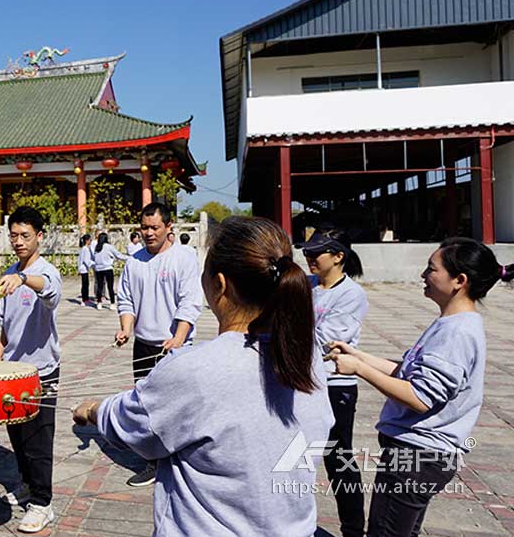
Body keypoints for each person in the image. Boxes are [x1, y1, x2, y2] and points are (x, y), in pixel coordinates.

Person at [74, 216, 334, 536]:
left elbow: (137, 425)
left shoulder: (195, 370)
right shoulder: (307, 354)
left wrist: (93, 410)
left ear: (219, 285)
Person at [327, 238, 513, 537]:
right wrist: (358, 355)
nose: (423, 275)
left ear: (459, 281)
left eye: (431, 269)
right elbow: (409, 373)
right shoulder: (451, 323)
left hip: (417, 456)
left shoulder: (457, 333)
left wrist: (359, 370)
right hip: (417, 456)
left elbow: (420, 397)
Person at [114, 202, 203, 486]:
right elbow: (126, 299)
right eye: (144, 227)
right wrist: (126, 329)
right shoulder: (135, 261)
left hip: (175, 346)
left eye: (155, 227)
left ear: (169, 227)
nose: (149, 233)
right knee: (146, 406)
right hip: (144, 345)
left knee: (177, 406)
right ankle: (154, 462)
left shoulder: (183, 258)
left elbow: (190, 300)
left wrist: (178, 336)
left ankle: (185, 460)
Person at [0, 206, 62, 533]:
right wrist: (0, 348)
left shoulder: (46, 271)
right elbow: (7, 323)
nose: (18, 241)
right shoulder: (10, 271)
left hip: (42, 371)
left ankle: (43, 503)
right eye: (14, 235)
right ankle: (25, 484)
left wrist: (23, 279)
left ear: (39, 237)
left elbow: (49, 291)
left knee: (38, 438)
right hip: (12, 371)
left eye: (25, 236)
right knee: (17, 434)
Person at [302, 226, 368, 537]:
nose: (309, 257)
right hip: (301, 384)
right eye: (306, 252)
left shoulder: (351, 295)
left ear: (339, 256)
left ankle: (353, 529)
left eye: (316, 253)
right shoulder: (306, 285)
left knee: (338, 459)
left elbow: (328, 343)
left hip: (334, 387)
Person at [93, 233, 127, 309]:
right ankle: (112, 303)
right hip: (107, 268)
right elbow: (118, 255)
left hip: (98, 269)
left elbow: (95, 258)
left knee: (100, 287)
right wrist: (128, 258)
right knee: (110, 287)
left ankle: (99, 303)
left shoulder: (97, 247)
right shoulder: (109, 247)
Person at [77, 234, 95, 306]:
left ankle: (85, 299)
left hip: (84, 269)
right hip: (84, 269)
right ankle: (84, 300)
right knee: (85, 285)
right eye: (90, 240)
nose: (91, 241)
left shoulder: (84, 248)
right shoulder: (85, 249)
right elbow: (86, 260)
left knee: (85, 284)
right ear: (87, 241)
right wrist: (94, 264)